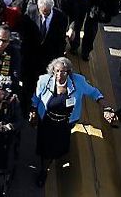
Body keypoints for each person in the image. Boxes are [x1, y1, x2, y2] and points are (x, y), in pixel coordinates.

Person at [30, 56, 116, 186]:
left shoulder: (78, 82)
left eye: (63, 71)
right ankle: (44, 171)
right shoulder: (44, 80)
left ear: (69, 72)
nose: (60, 74)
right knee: (46, 148)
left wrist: (106, 107)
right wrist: (33, 111)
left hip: (65, 124)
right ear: (52, 71)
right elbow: (36, 97)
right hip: (47, 122)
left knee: (57, 147)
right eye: (57, 71)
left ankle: (50, 159)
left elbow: (94, 93)